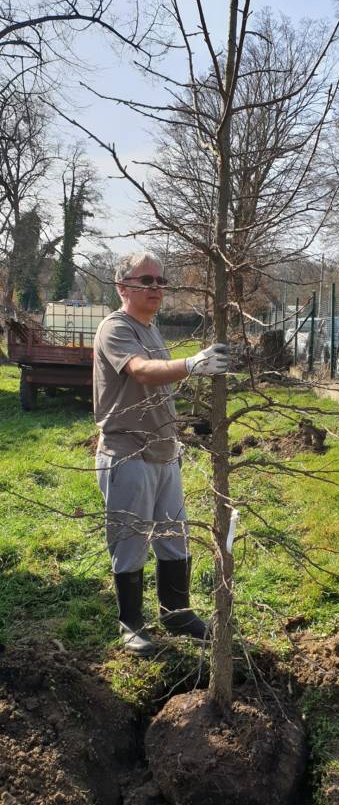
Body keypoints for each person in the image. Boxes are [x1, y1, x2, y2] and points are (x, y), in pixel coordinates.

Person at [93, 251, 229, 656]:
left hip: (165, 452)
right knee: (130, 540)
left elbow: (159, 385)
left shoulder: (151, 329)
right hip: (128, 452)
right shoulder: (115, 328)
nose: (156, 287)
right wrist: (192, 364)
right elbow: (139, 371)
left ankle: (177, 612)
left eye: (160, 281)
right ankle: (131, 623)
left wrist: (188, 420)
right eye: (145, 280)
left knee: (174, 538)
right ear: (123, 287)